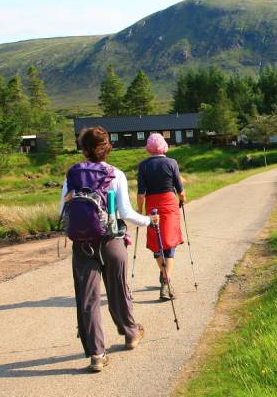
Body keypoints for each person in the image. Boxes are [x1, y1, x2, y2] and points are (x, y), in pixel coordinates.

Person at [61, 127, 158, 372]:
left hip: (82, 244)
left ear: (83, 149)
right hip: (112, 240)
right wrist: (148, 221)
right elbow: (125, 213)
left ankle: (96, 354)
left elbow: (64, 207)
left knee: (87, 299)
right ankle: (130, 333)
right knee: (118, 290)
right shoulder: (116, 174)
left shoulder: (72, 174)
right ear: (107, 148)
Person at [135, 133, 187, 301]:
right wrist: (182, 200)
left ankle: (164, 275)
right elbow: (180, 190)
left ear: (149, 148)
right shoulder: (172, 163)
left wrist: (140, 209)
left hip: (152, 206)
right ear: (164, 146)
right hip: (169, 205)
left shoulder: (143, 166)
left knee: (157, 243)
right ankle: (166, 281)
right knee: (169, 243)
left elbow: (141, 193)